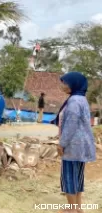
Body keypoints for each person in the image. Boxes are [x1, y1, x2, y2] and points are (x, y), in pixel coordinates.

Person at [52, 72, 96, 213]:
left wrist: (61, 144)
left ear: (74, 84)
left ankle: (72, 210)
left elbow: (71, 125)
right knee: (77, 177)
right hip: (81, 146)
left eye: (66, 83)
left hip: (72, 146)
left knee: (69, 178)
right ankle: (77, 207)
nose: (63, 86)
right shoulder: (81, 99)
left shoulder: (74, 101)